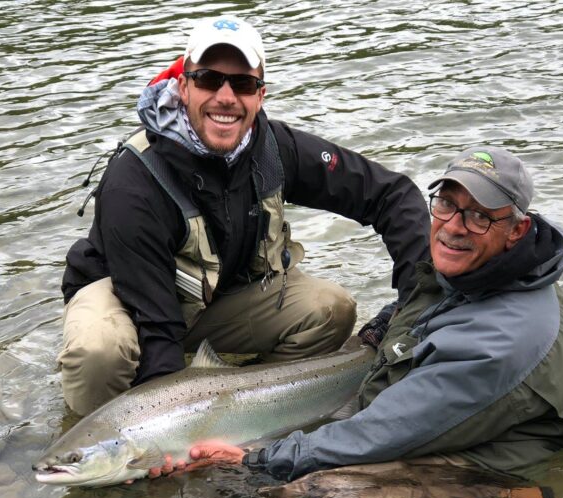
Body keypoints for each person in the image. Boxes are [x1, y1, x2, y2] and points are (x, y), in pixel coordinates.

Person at [58, 15, 429, 416]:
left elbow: (392, 194)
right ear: (183, 87)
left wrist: (417, 304)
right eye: (208, 79)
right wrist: (161, 428)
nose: (225, 96)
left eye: (242, 83)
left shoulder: (273, 149)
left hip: (213, 301)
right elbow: (158, 331)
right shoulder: (133, 181)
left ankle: (245, 416)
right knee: (99, 351)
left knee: (330, 308)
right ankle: (95, 450)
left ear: (260, 95)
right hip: (129, 301)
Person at [180, 146, 563, 483]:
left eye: (479, 216)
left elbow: (378, 434)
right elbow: (425, 306)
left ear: (518, 230)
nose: (453, 226)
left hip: (500, 464)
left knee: (302, 495)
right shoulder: (485, 265)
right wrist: (380, 328)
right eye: (447, 205)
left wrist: (253, 462)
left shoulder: (499, 345)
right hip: (448, 413)